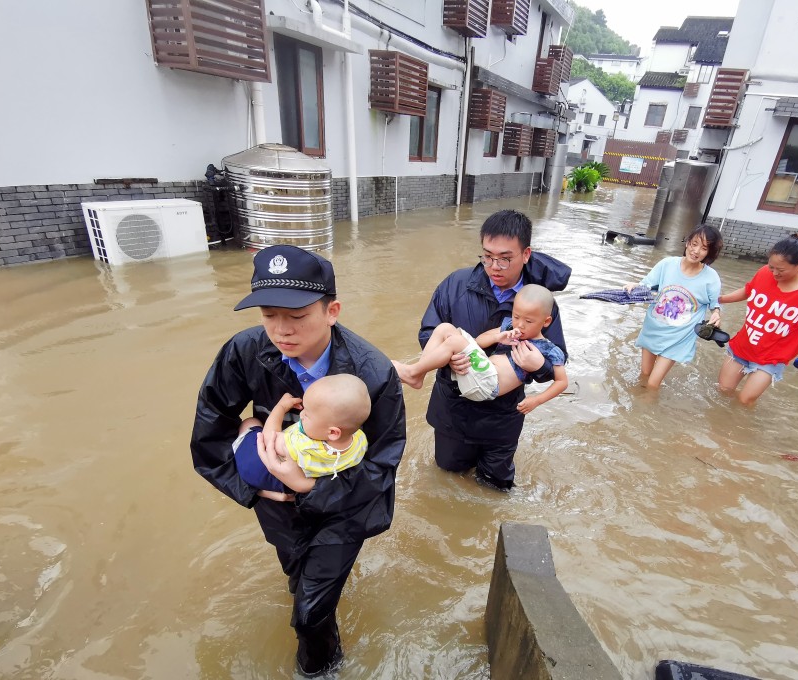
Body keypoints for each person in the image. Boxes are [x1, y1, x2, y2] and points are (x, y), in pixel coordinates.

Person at [190, 245, 406, 677]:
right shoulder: (244, 351)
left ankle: (320, 668)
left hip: (346, 504)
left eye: (297, 316)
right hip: (275, 502)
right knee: (295, 575)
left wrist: (309, 489)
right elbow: (209, 432)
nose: (281, 330)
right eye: (269, 315)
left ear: (332, 311)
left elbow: (382, 462)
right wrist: (255, 488)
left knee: (309, 613)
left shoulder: (373, 371)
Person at [418, 210, 571, 491]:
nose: (494, 266)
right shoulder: (455, 285)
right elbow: (429, 332)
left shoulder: (540, 303)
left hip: (503, 416)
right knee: (448, 479)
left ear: (526, 254)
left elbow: (556, 359)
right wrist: (450, 360)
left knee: (495, 488)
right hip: (454, 409)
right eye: (487, 256)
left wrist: (540, 367)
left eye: (504, 258)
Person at [395, 284, 568, 410]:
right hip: (478, 372)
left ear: (546, 322)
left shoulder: (549, 349)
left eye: (528, 321)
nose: (520, 325)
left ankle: (412, 372)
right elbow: (478, 341)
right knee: (445, 328)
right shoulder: (508, 327)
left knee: (455, 342)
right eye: (516, 316)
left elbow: (562, 382)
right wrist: (497, 337)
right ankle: (418, 374)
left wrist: (536, 400)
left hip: (488, 385)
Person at [717, 233, 798, 406]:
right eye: (771, 267)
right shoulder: (764, 272)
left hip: (772, 356)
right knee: (723, 392)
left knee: (745, 401)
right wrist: (720, 299)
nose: (774, 273)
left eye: (781, 270)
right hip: (743, 346)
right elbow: (748, 291)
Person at [233, 374, 371, 494]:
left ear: (333, 433)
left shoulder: (302, 446)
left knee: (250, 422)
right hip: (309, 482)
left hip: (267, 472)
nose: (301, 414)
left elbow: (269, 439)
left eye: (308, 414)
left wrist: (280, 408)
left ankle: (239, 460)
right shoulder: (360, 440)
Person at [623, 224, 724, 388]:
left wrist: (716, 314)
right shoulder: (667, 264)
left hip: (678, 337)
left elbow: (715, 305)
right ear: (687, 243)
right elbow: (646, 285)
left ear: (709, 253)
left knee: (653, 384)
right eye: (694, 244)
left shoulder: (711, 278)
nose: (696, 251)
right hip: (653, 329)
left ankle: (648, 411)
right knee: (645, 374)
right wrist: (634, 285)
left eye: (704, 248)